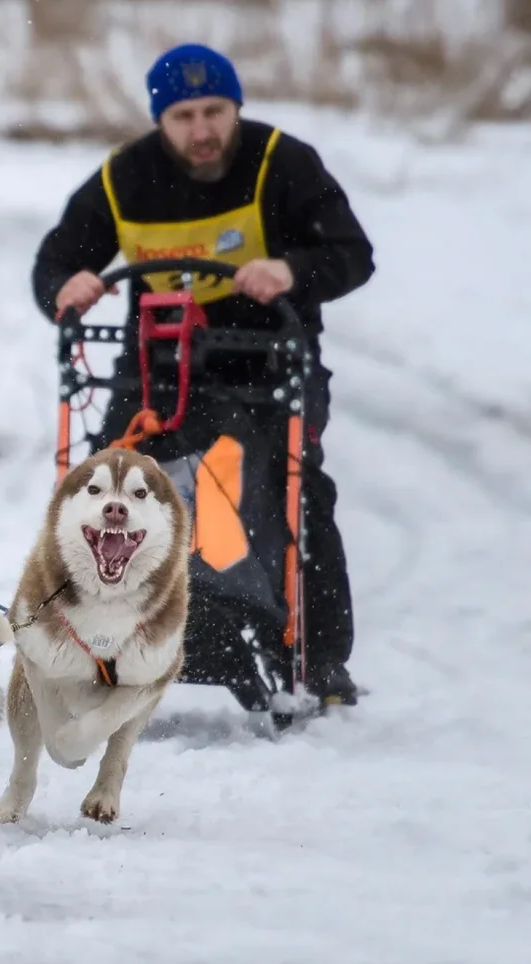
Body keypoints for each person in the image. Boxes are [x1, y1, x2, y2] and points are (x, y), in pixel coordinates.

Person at [30, 42, 375, 706]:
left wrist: (293, 270)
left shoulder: (283, 164)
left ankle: (320, 658)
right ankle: (104, 638)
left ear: (236, 107)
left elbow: (353, 255)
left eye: (215, 111)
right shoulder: (124, 180)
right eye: (184, 116)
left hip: (273, 363)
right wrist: (64, 287)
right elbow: (56, 261)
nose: (202, 130)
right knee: (109, 490)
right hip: (158, 372)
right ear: (162, 120)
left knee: (295, 488)